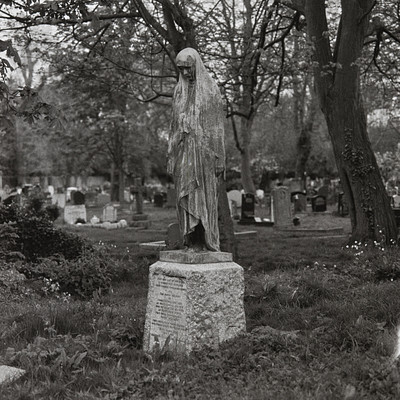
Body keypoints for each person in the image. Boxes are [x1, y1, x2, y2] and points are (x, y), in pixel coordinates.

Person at [167, 48, 225, 251]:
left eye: (188, 68)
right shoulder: (178, 91)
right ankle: (189, 238)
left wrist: (220, 157)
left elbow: (217, 126)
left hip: (205, 152)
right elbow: (173, 125)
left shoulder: (210, 89)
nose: (184, 73)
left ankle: (203, 239)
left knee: (203, 196)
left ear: (196, 66)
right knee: (185, 194)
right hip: (183, 150)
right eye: (181, 69)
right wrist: (171, 155)